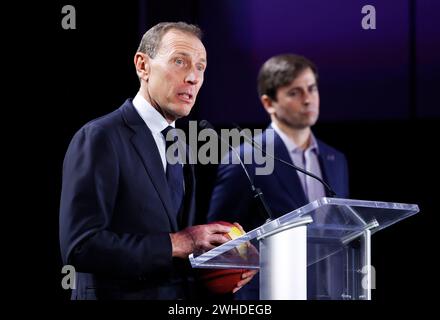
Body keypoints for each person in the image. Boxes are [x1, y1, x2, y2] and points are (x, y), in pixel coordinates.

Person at [59, 22, 255, 300]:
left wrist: (227, 262)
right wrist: (179, 242)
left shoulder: (181, 146)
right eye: (179, 61)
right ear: (143, 66)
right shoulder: (101, 137)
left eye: (201, 67)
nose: (193, 77)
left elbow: (181, 251)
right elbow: (81, 246)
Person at [208, 54, 350, 300]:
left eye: (311, 89)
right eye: (294, 93)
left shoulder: (336, 159)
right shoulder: (246, 159)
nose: (308, 99)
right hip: (268, 294)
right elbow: (218, 240)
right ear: (268, 103)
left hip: (328, 292)